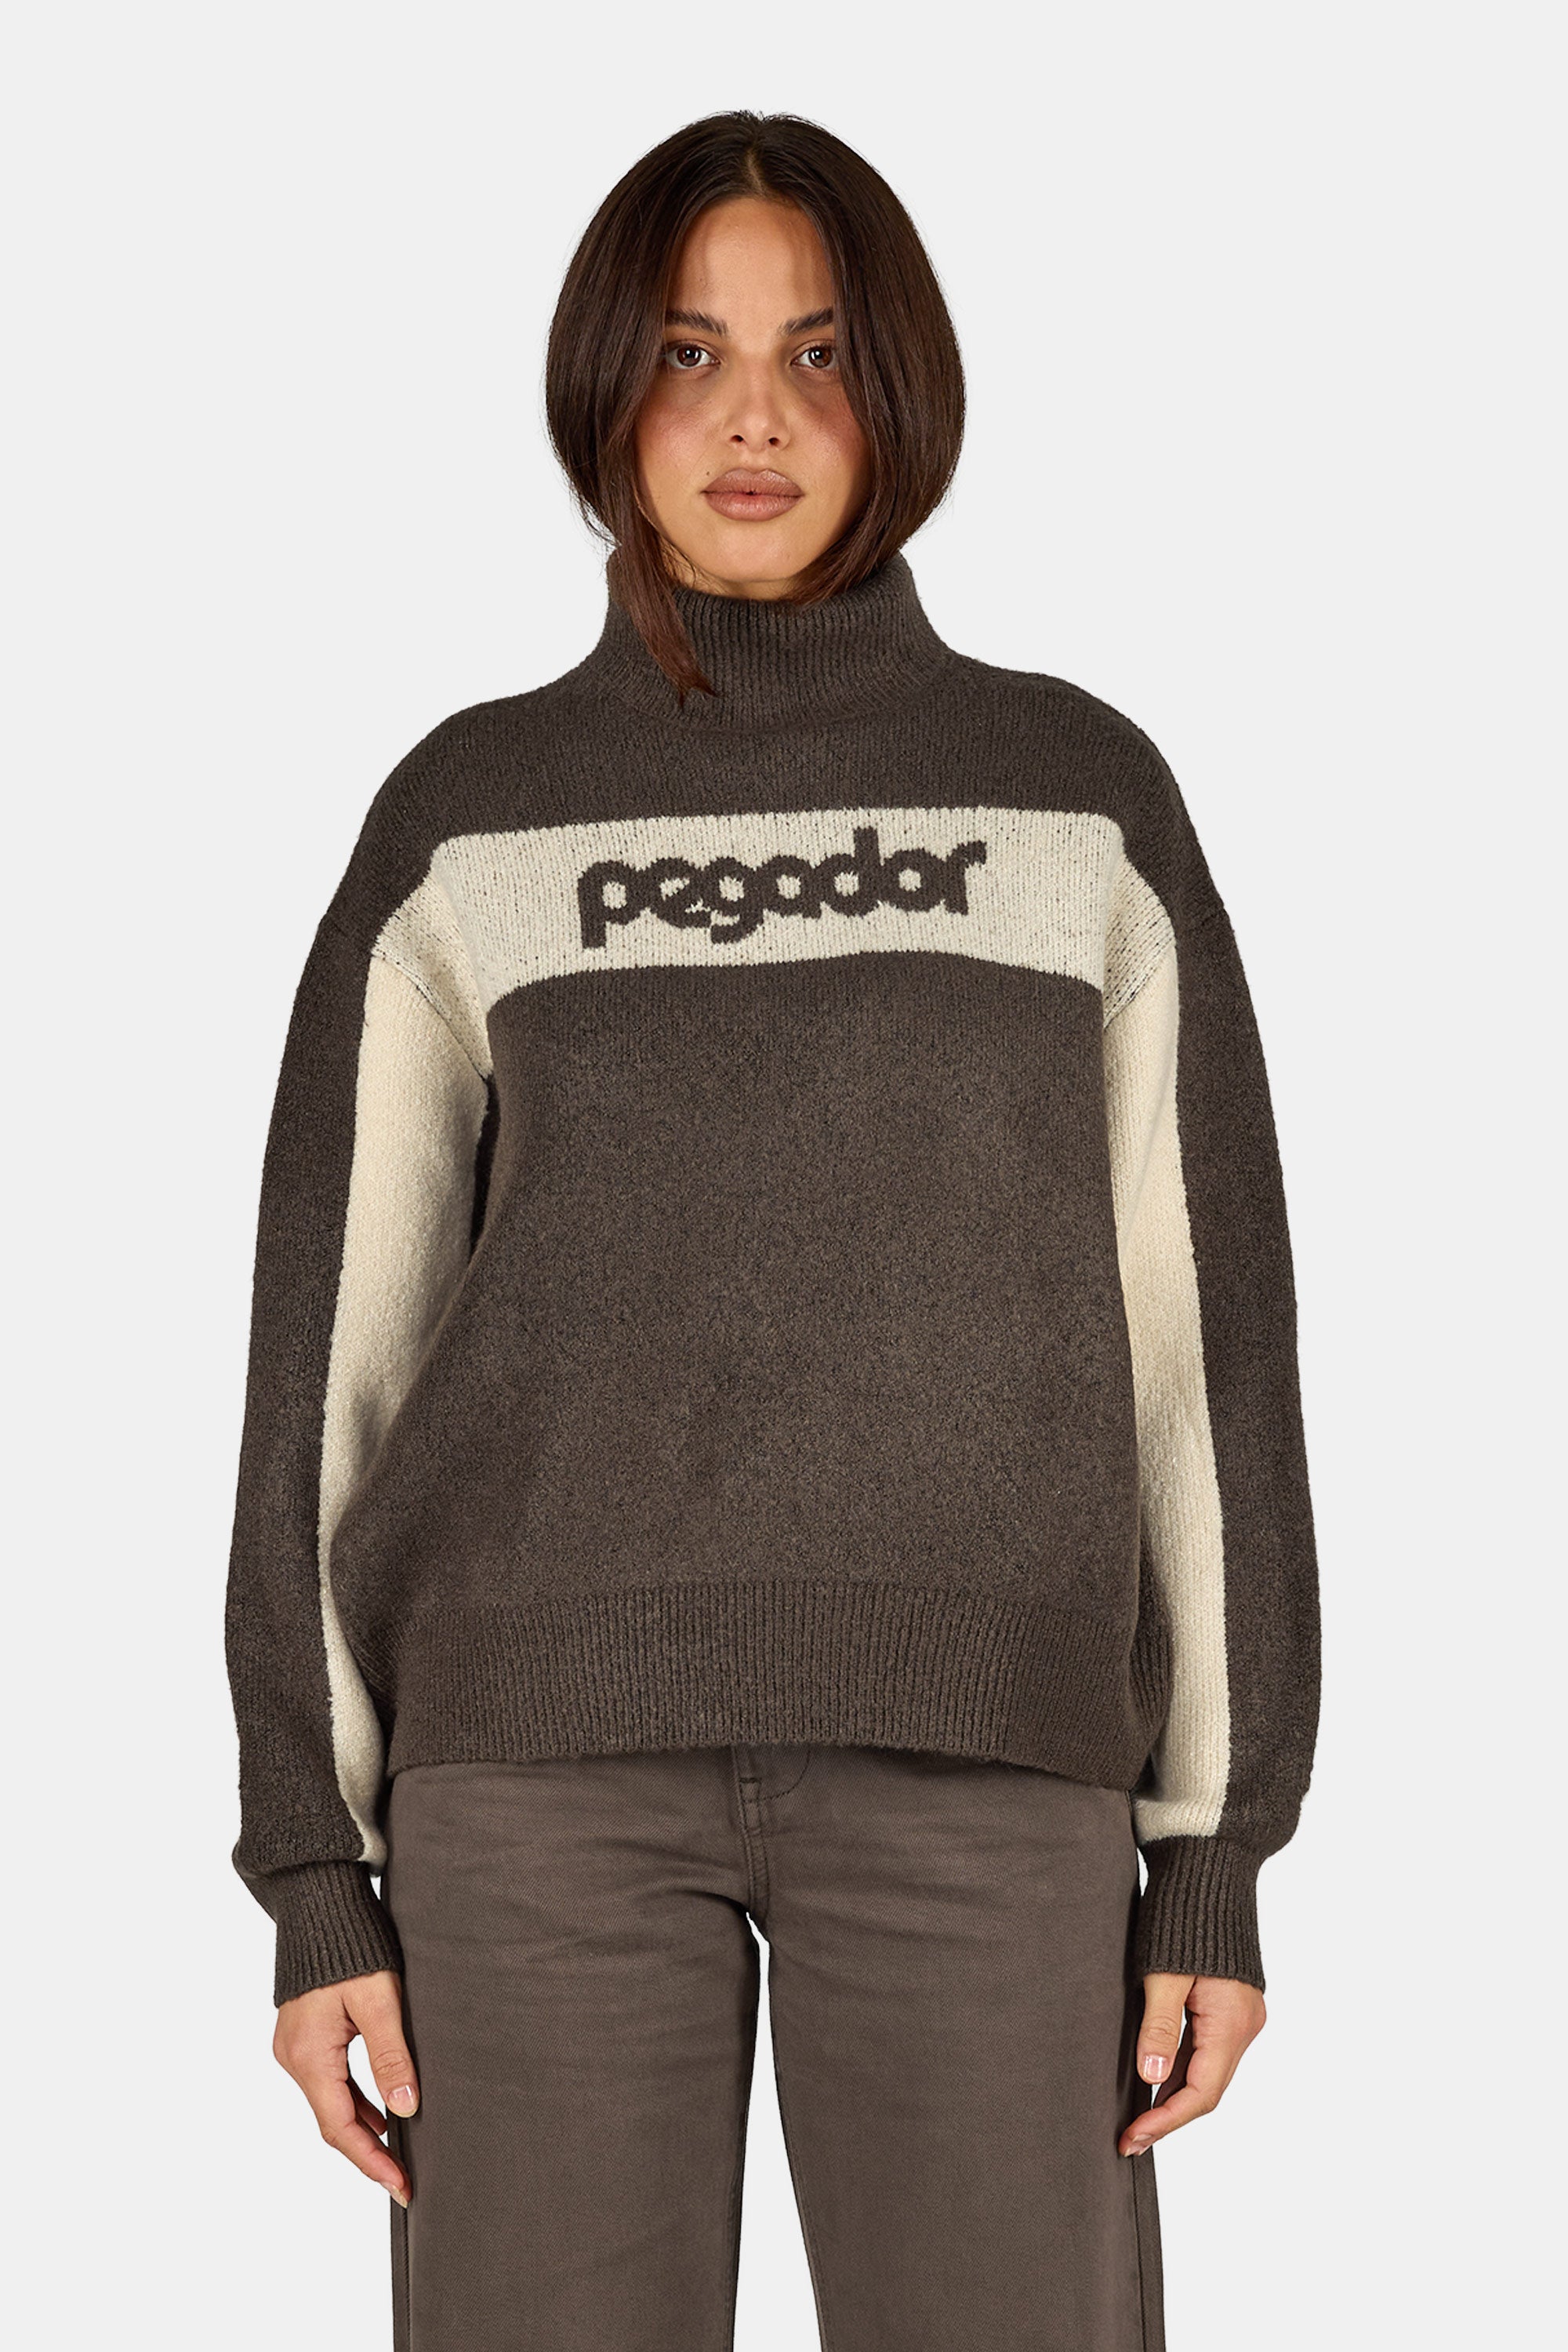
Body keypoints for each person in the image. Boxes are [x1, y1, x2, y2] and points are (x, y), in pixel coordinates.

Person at [225, 109, 1320, 2352]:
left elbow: (1203, 1348)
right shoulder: (470, 820)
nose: (752, 420)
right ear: (603, 394)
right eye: (689, 354)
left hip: (985, 1768)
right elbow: (331, 1360)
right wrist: (314, 1870)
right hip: (529, 1792)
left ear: (899, 389)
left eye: (817, 355)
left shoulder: (1077, 805)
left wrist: (1216, 1844)